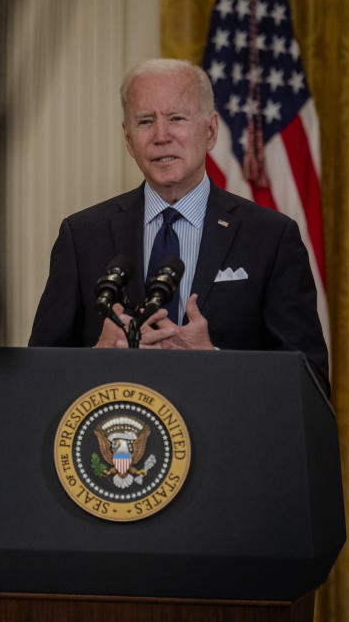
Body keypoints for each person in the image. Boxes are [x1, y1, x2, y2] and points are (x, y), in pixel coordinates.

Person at [28, 58, 330, 396]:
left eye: (176, 118)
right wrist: (97, 358)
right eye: (145, 121)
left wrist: (212, 359)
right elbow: (36, 377)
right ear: (128, 140)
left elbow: (311, 381)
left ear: (210, 131)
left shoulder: (271, 237)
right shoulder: (81, 235)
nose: (161, 136)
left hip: (227, 443)